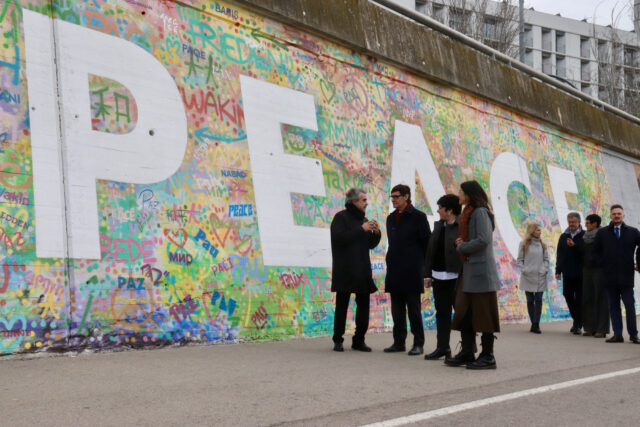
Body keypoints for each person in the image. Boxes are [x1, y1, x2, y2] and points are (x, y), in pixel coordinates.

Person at [445, 181, 501, 370]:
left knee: (484, 314)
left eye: (461, 191)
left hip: (481, 272)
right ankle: (468, 351)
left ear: (469, 194)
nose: (458, 194)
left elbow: (484, 239)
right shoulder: (467, 213)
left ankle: (488, 355)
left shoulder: (479, 212)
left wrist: (462, 246)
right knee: (464, 312)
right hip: (468, 271)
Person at [330, 188, 381, 352]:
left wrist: (376, 233)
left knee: (363, 308)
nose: (367, 203)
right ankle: (338, 340)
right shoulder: (341, 217)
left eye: (366, 200)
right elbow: (338, 239)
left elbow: (370, 244)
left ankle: (359, 340)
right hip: (345, 270)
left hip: (362, 271)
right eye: (363, 200)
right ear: (353, 201)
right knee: (342, 307)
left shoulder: (364, 220)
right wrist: (361, 229)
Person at [384, 184, 431, 356]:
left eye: (397, 196)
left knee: (413, 310)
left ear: (406, 197)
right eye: (392, 197)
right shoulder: (390, 218)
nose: (393, 200)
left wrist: (426, 270)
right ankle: (399, 342)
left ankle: (418, 343)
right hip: (394, 269)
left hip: (412, 269)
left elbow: (427, 244)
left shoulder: (418, 217)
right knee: (397, 310)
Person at [594, 204, 640, 344]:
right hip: (609, 277)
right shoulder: (602, 233)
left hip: (626, 277)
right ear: (610, 216)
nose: (616, 216)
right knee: (614, 307)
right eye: (614, 214)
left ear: (623, 215)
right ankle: (618, 335)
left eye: (619, 213)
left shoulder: (633, 232)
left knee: (629, 306)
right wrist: (602, 264)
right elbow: (596, 252)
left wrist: (638, 263)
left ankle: (633, 335)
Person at [423, 194, 462, 360]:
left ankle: (468, 347)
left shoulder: (462, 226)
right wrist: (427, 274)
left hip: (457, 277)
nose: (438, 211)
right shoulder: (439, 226)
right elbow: (430, 251)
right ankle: (443, 347)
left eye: (440, 208)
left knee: (462, 313)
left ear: (450, 210)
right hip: (439, 277)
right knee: (442, 313)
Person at [555, 212, 585, 335]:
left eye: (574, 222)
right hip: (567, 272)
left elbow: (586, 252)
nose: (571, 224)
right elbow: (560, 254)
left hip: (581, 273)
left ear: (579, 222)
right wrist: (558, 270)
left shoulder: (584, 235)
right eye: (570, 222)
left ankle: (577, 325)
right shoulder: (563, 236)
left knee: (579, 299)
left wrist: (575, 246)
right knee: (567, 295)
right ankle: (577, 320)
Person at [517, 223, 549, 334]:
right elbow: (520, 260)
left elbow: (546, 260)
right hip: (527, 276)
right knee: (530, 300)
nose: (540, 232)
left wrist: (544, 269)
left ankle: (536, 324)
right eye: (538, 230)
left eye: (540, 230)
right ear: (532, 231)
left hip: (540, 276)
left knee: (539, 299)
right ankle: (533, 323)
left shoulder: (543, 245)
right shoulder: (523, 244)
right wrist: (524, 270)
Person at [580, 214, 609, 338]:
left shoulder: (603, 235)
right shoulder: (585, 236)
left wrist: (599, 262)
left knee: (601, 298)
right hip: (587, 269)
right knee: (588, 297)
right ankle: (589, 327)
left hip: (599, 270)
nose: (585, 225)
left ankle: (602, 329)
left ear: (595, 224)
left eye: (587, 223)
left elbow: (607, 252)